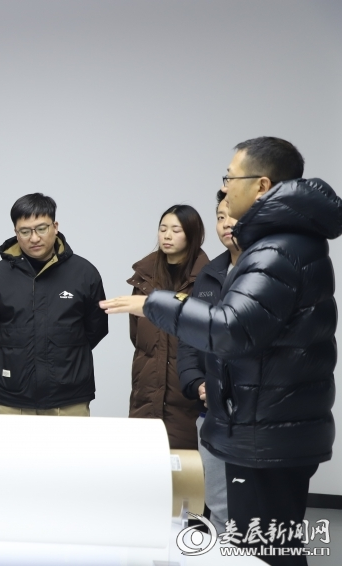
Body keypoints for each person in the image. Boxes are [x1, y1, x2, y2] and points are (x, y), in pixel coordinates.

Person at [101, 137, 340, 565]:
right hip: (267, 425)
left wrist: (152, 304)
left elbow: (231, 328)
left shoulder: (277, 249)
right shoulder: (286, 241)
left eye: (231, 177)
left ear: (261, 184)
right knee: (267, 547)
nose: (225, 187)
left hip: (265, 432)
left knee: (260, 553)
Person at [0, 193, 108, 415]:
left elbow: (96, 328)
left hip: (69, 396)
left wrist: (64, 352)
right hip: (12, 396)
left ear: (55, 227)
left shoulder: (84, 273)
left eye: (41, 228)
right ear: (15, 232)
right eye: (25, 231)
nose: (34, 238)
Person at [177, 192, 239, 533]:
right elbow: (190, 341)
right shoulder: (210, 274)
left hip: (256, 416)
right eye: (220, 217)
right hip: (211, 410)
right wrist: (198, 383)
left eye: (234, 216)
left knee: (256, 513)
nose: (226, 224)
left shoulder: (271, 270)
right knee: (218, 509)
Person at [126, 204, 208, 449]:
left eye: (176, 230)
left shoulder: (208, 281)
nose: (167, 236)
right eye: (163, 229)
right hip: (146, 395)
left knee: (186, 467)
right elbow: (137, 337)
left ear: (193, 235)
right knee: (144, 463)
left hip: (188, 398)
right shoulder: (144, 279)